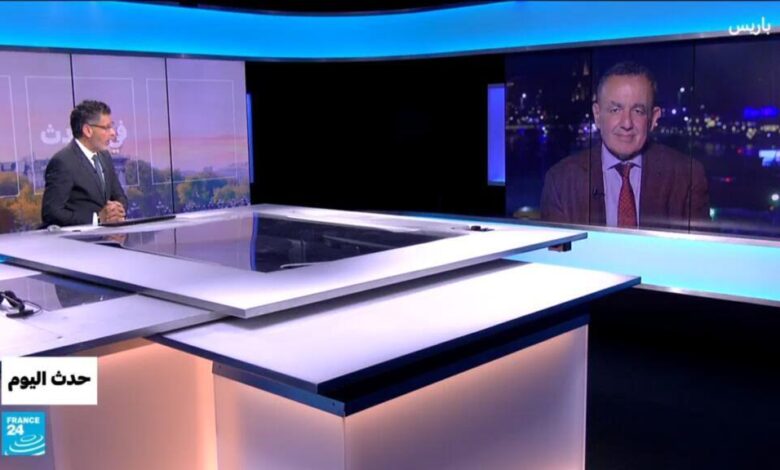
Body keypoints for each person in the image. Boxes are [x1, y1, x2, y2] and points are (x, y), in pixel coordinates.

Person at [540, 61, 709, 230]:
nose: (626, 123)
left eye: (638, 111)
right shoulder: (560, 181)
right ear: (597, 115)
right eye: (615, 110)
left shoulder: (687, 177)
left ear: (653, 118)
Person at [42, 100, 127, 227]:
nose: (113, 133)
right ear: (87, 130)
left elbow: (120, 196)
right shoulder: (63, 162)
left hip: (109, 236)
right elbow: (52, 213)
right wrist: (97, 218)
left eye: (112, 126)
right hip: (79, 238)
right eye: (107, 127)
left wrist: (117, 210)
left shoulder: (105, 156)